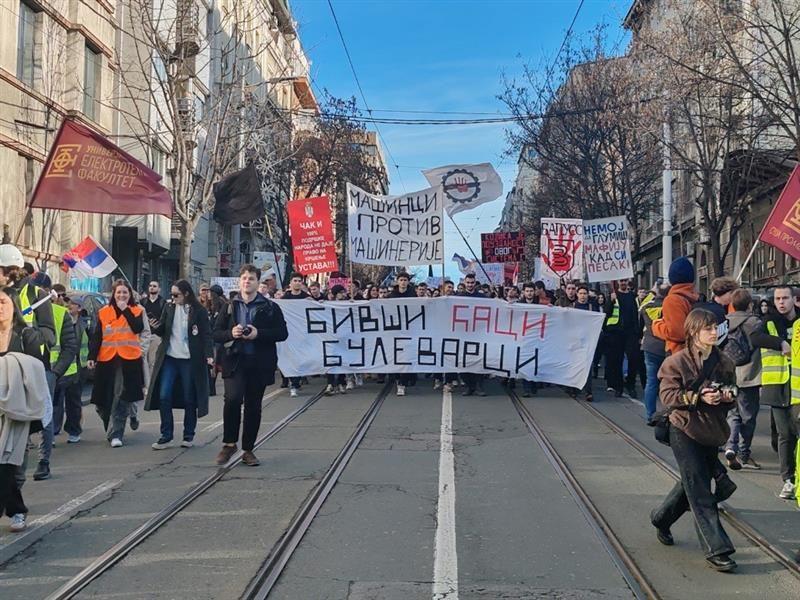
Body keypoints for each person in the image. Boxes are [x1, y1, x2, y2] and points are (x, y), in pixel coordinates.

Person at [650, 308, 738, 572]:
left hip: (711, 431)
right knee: (699, 486)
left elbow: (734, 394)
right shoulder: (675, 363)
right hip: (683, 428)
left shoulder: (725, 362)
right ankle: (717, 548)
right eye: (707, 328)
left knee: (691, 481)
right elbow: (668, 397)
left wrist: (726, 397)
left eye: (715, 328)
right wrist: (699, 397)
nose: (713, 333)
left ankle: (661, 518)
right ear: (693, 331)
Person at [213, 264, 288, 466]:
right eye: (244, 278)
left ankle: (248, 449)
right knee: (232, 400)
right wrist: (231, 333)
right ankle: (229, 444)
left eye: (251, 278)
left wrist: (259, 334)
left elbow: (282, 333)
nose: (247, 281)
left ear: (257, 282)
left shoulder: (270, 307)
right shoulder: (229, 306)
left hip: (258, 363)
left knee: (253, 406)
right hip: (234, 362)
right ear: (240, 281)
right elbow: (216, 333)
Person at [0, 289, 49, 533]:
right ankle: (16, 509)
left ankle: (16, 511)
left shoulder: (26, 336)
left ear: (13, 306)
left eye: (3, 302)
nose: (0, 307)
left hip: (18, 410)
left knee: (10, 465)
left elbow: (38, 372)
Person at [146, 280, 213, 450]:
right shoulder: (169, 308)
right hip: (170, 357)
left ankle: (188, 434)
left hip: (189, 360)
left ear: (187, 294)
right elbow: (164, 330)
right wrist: (156, 327)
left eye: (177, 295)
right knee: (164, 395)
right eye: (172, 295)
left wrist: (209, 355)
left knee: (190, 397)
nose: (173, 298)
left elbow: (206, 334)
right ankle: (166, 435)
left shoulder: (199, 311)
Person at [750, 285, 799, 499]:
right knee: (785, 434)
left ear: (794, 300)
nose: (781, 302)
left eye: (785, 298)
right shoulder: (768, 321)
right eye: (777, 298)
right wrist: (780, 343)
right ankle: (788, 479)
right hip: (777, 387)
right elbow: (755, 337)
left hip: (798, 387)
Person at [88, 279, 145, 447]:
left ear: (130, 295)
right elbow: (97, 336)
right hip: (106, 359)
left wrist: (125, 310)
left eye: (125, 292)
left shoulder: (136, 310)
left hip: (128, 361)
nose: (121, 295)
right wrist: (92, 356)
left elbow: (137, 328)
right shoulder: (104, 312)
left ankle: (117, 433)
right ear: (113, 294)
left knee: (121, 397)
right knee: (101, 401)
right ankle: (111, 427)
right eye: (118, 292)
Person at [32, 276, 77, 481]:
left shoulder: (60, 313)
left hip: (47, 371)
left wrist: (56, 372)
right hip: (21, 367)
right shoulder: (22, 309)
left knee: (45, 415)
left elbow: (70, 346)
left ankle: (43, 461)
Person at [724, 289, 762, 470]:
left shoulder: (724, 322)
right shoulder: (755, 322)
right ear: (750, 304)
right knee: (748, 416)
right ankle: (744, 453)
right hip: (749, 375)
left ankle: (730, 446)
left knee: (733, 414)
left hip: (729, 375)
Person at [652, 257, 699, 355]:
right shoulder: (694, 296)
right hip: (693, 351)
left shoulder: (673, 300)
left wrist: (657, 326)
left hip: (678, 354)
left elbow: (677, 333)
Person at [59, 296, 89, 444]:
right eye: (67, 303)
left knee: (73, 400)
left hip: (78, 367)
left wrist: (89, 360)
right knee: (57, 401)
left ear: (80, 308)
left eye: (72, 303)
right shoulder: (61, 319)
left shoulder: (85, 324)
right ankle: (54, 430)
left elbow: (90, 343)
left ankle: (74, 430)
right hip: (61, 366)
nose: (69, 305)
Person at [604, 278, 641, 398]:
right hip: (616, 333)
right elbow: (606, 313)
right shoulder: (614, 296)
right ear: (617, 282)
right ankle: (618, 387)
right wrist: (611, 301)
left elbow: (636, 315)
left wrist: (638, 334)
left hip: (631, 333)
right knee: (617, 360)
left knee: (633, 358)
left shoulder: (633, 297)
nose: (623, 283)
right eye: (621, 281)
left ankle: (630, 384)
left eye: (625, 281)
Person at [640, 281, 670, 420]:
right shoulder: (670, 307)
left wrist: (651, 292)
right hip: (666, 347)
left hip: (649, 346)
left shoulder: (647, 306)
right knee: (667, 382)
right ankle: (666, 414)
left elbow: (639, 312)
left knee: (651, 381)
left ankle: (650, 414)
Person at [457, 273, 487, 396]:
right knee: (463, 362)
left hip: (478, 334)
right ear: (464, 282)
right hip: (463, 334)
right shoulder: (458, 297)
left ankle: (478, 386)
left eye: (472, 282)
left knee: (478, 361)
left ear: (475, 283)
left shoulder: (482, 297)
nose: (470, 285)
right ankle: (470, 386)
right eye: (468, 282)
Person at [282, 273, 309, 397]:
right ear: (291, 283)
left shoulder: (307, 298)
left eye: (300, 281)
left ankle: (297, 381)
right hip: (289, 334)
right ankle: (293, 383)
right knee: (291, 358)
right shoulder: (284, 299)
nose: (297, 282)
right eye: (295, 280)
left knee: (300, 358)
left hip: (303, 334)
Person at [389, 272, 417, 396]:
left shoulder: (413, 295)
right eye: (401, 280)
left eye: (405, 280)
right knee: (395, 358)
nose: (403, 282)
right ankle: (397, 378)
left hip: (409, 330)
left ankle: (402, 383)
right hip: (394, 331)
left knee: (406, 358)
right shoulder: (391, 296)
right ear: (397, 281)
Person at [572, 284, 599, 401]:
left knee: (588, 366)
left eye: (585, 293)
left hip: (588, 340)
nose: (583, 296)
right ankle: (573, 389)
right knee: (575, 365)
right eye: (581, 293)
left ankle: (588, 391)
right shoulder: (572, 307)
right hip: (575, 341)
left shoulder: (592, 307)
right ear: (577, 295)